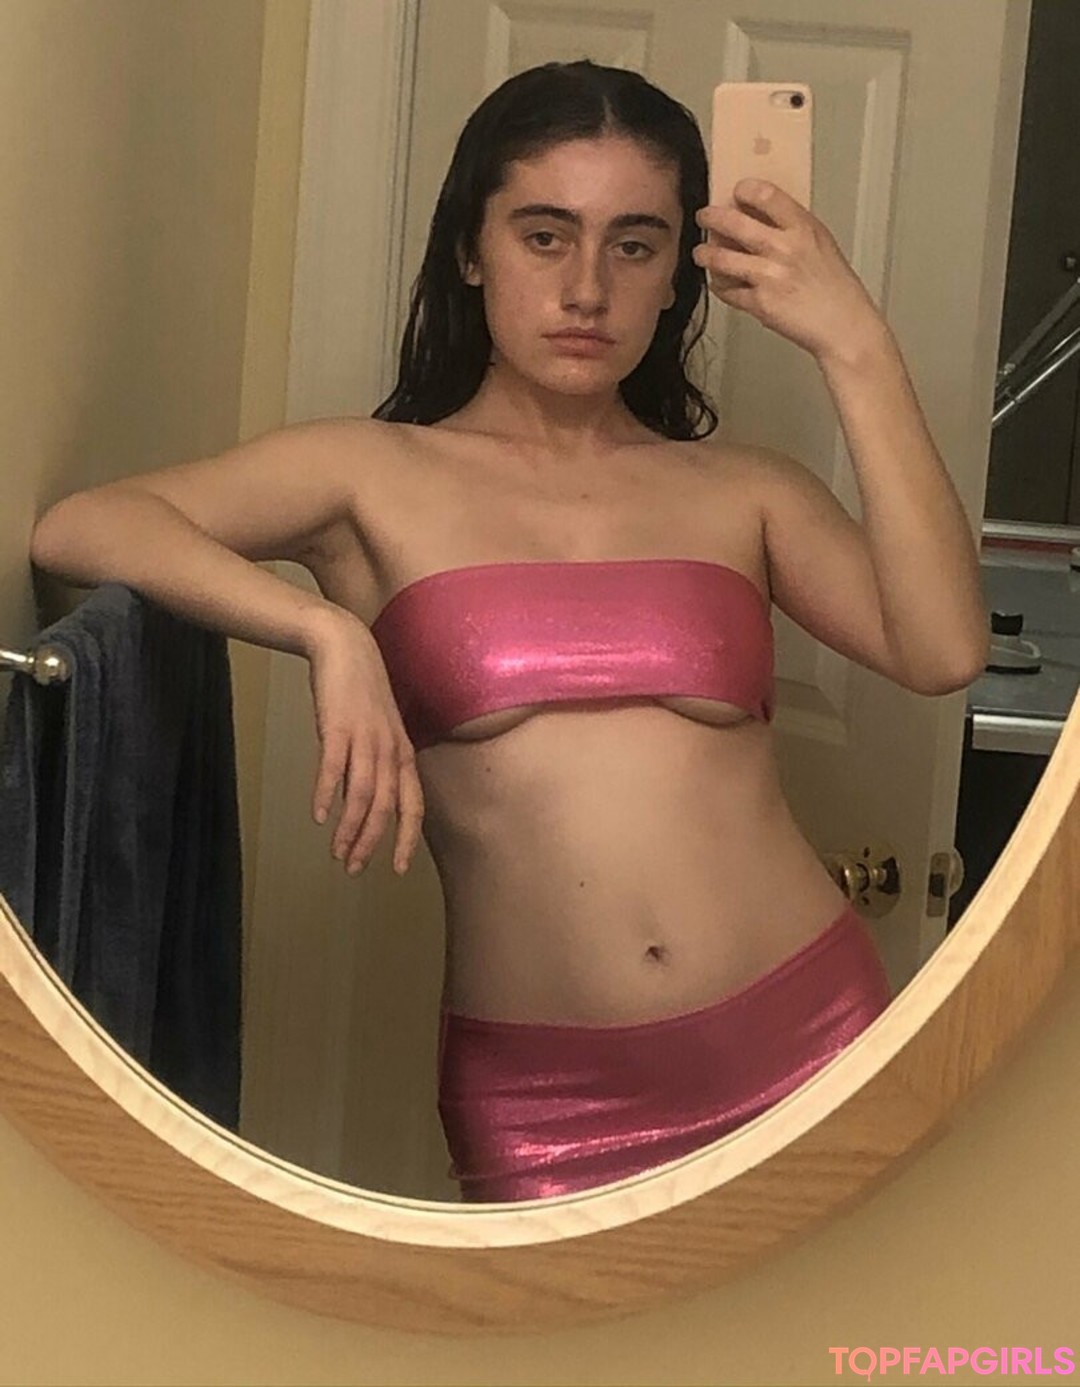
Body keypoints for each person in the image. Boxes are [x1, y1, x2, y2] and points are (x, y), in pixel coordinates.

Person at [29, 60, 989, 1204]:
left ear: (677, 275)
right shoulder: (368, 475)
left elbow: (942, 649)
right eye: (545, 236)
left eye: (634, 244)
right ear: (471, 251)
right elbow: (83, 527)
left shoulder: (746, 491)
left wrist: (855, 344)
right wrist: (325, 633)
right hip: (548, 1100)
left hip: (816, 1038)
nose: (587, 287)